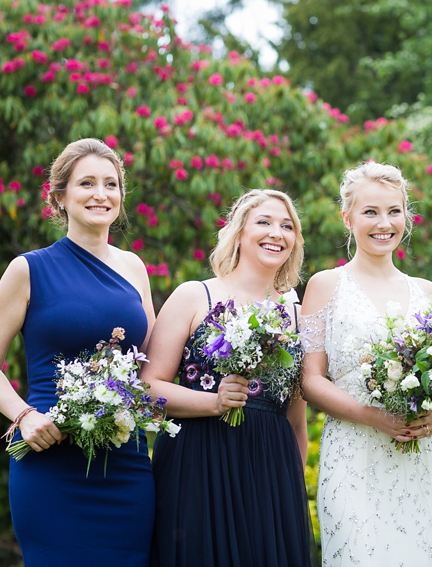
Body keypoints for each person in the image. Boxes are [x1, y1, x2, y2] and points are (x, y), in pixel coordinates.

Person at [0, 139, 156, 565]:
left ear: (122, 196)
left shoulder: (134, 268)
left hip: (125, 464)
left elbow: (150, 363)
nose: (100, 194)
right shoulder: (28, 269)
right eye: (86, 183)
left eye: (111, 184)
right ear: (59, 197)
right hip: (49, 461)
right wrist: (24, 416)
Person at [142, 189, 317, 567]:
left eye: (287, 226)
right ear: (239, 233)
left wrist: (288, 488)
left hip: (270, 473)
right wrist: (214, 402)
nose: (277, 233)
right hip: (197, 466)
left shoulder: (299, 316)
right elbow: (147, 387)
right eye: (265, 222)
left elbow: (296, 417)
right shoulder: (195, 296)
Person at [299, 162, 432, 566]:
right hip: (353, 456)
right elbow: (311, 381)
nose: (384, 223)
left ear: (407, 216)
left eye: (394, 211)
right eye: (370, 212)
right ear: (347, 218)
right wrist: (374, 417)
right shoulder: (325, 286)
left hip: (416, 458)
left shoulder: (429, 294)